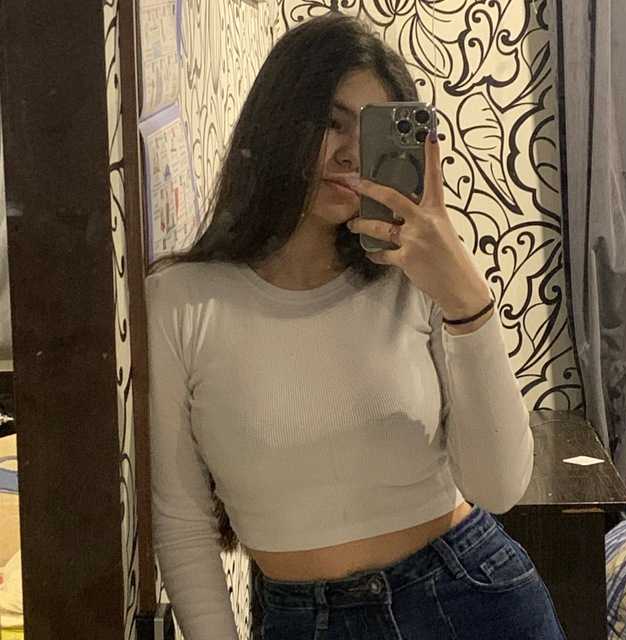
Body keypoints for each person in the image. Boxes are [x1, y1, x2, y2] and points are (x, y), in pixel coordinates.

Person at [145, 13, 567, 640]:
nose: (349, 153)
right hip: (299, 620)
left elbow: (500, 487)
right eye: (331, 122)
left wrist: (466, 299)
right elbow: (181, 521)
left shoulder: (416, 279)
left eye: (371, 131)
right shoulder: (181, 301)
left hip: (468, 601)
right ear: (277, 122)